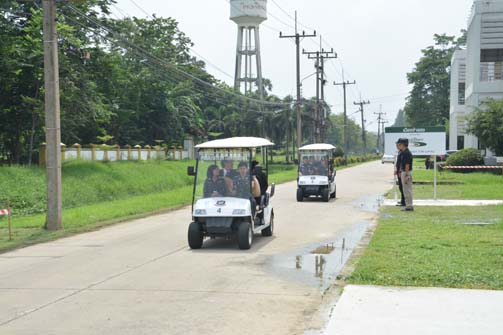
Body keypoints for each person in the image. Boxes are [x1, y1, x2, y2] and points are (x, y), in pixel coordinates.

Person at [397, 138, 414, 212]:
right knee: (405, 190)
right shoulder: (403, 152)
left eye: (399, 144)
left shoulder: (406, 153)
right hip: (404, 172)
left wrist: (406, 175)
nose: (398, 145)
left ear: (403, 144)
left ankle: (409, 206)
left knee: (407, 190)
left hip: (406, 172)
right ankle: (408, 205)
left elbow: (407, 165)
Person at [395, 140, 406, 207]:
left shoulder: (403, 152)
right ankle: (402, 200)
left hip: (401, 172)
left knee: (402, 187)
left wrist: (399, 171)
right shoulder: (400, 152)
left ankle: (404, 202)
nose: (396, 146)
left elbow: (402, 164)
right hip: (399, 172)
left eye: (398, 145)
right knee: (400, 187)